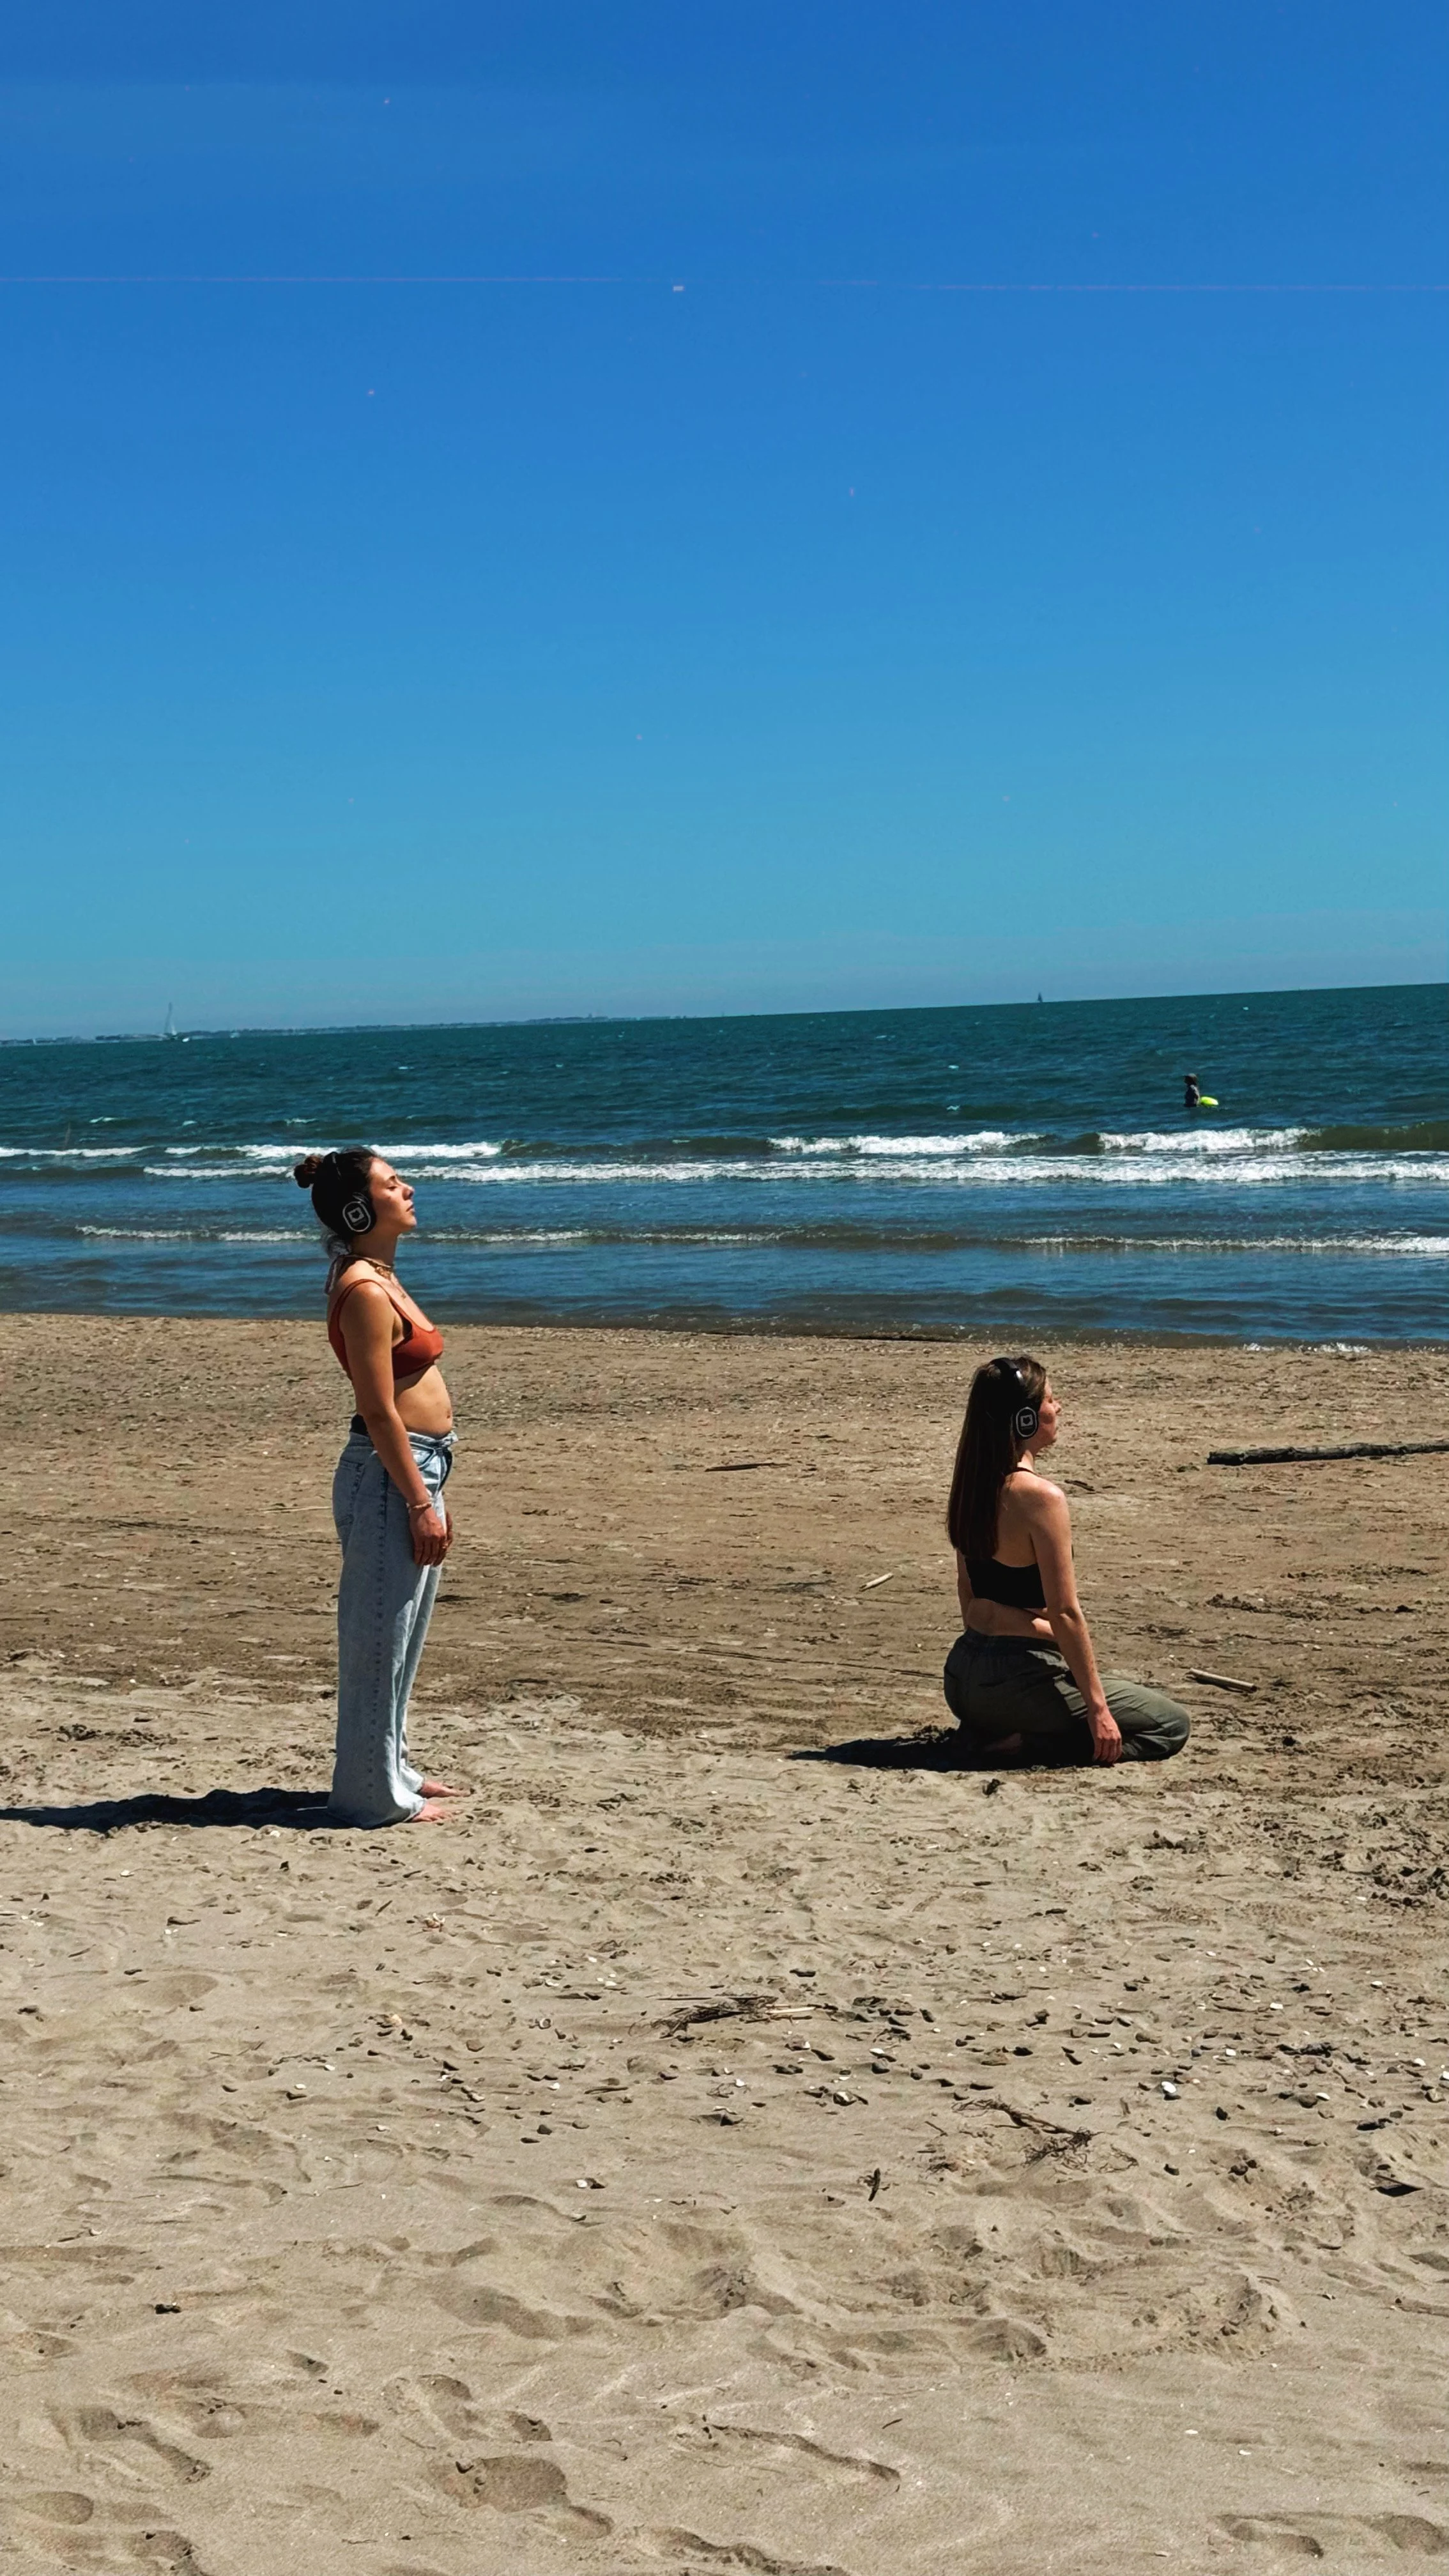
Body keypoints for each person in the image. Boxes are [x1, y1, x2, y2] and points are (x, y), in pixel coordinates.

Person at [295, 1147, 466, 1825]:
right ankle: (369, 1795)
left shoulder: (379, 1273)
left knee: (402, 1638)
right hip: (392, 1476)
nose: (410, 1189)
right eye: (393, 1185)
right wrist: (420, 1503)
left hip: (419, 1467)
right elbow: (378, 1407)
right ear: (361, 1210)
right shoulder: (364, 1290)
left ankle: (390, 1766)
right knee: (376, 1639)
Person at [942, 1354, 1190, 1767]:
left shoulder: (970, 1486)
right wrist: (1098, 1709)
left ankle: (1000, 1729)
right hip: (1015, 1682)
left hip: (963, 1678)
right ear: (1024, 1420)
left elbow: (972, 1605)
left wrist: (1036, 1631)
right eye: (1050, 1400)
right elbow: (1066, 1612)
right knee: (1169, 1725)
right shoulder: (1040, 1498)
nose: (1058, 1408)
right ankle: (1018, 1744)